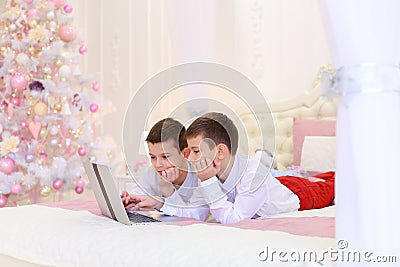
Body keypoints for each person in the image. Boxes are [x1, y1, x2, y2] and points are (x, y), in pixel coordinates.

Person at [186, 112, 335, 224]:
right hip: (277, 183)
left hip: (298, 194)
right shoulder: (207, 173)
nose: (190, 158)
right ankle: (267, 162)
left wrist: (207, 182)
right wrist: (164, 202)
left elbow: (235, 220)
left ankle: (267, 162)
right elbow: (198, 210)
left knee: (334, 183)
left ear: (220, 152)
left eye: (196, 151)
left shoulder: (250, 176)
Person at [121, 118, 208, 221]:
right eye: (153, 157)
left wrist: (168, 191)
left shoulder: (200, 175)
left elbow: (196, 216)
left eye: (165, 157)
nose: (158, 164)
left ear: (185, 154)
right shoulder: (154, 172)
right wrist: (130, 200)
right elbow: (140, 192)